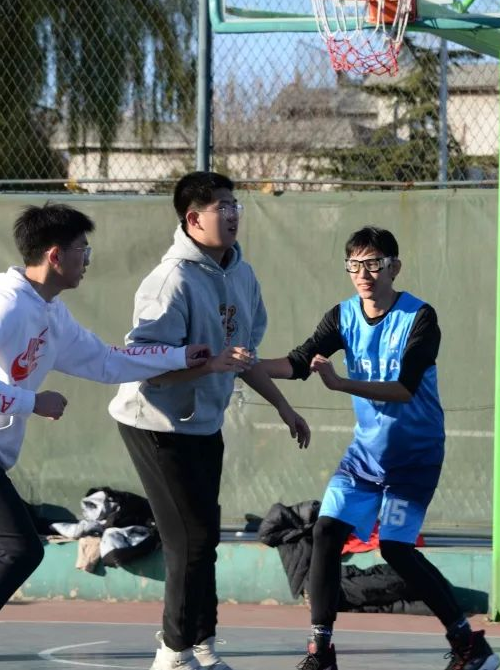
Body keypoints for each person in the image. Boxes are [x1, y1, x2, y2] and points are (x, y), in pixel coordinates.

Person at [0, 203, 211, 670]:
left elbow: (107, 361)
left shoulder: (51, 313)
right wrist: (32, 402)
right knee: (18, 550)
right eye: (82, 250)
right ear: (55, 255)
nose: (87, 259)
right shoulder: (3, 302)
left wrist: (178, 356)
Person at [259, 226, 499, 670]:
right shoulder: (342, 316)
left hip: (415, 457)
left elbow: (405, 388)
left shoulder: (420, 317)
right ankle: (321, 650)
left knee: (395, 549)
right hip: (366, 455)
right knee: (326, 532)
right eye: (354, 265)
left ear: (394, 267)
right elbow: (297, 362)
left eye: (373, 264)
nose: (363, 274)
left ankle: (469, 644)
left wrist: (340, 383)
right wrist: (246, 364)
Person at [108, 171, 311, 670]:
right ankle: (172, 653)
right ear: (193, 219)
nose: (234, 213)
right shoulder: (171, 281)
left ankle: (202, 642)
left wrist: (284, 406)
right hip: (154, 422)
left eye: (235, 203)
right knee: (188, 540)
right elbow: (145, 365)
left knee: (205, 539)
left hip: (202, 422)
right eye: (222, 206)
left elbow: (243, 356)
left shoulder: (242, 275)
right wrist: (209, 365)